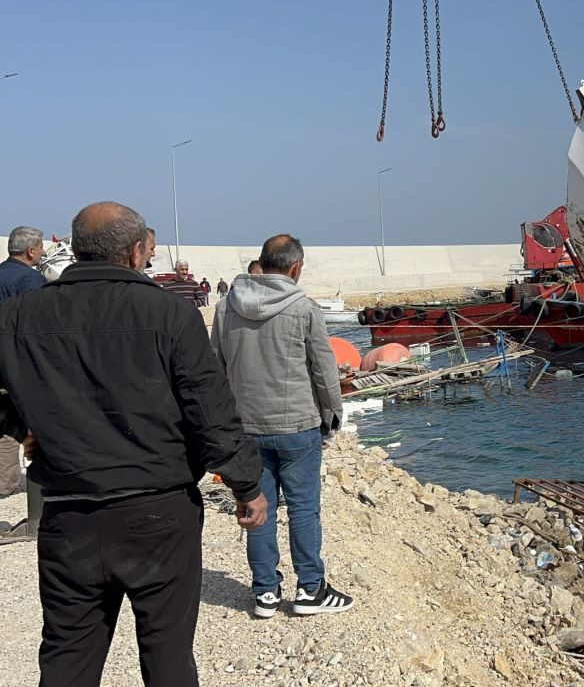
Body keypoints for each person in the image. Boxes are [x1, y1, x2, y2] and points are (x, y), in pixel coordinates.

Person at [0, 201, 266, 687]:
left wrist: (22, 427)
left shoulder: (19, 315)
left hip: (68, 510)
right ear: (136, 250)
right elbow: (209, 407)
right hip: (158, 510)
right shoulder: (169, 312)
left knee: (68, 657)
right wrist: (247, 484)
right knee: (167, 656)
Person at [211, 234, 351, 619]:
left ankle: (265, 593)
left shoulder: (226, 307)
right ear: (295, 268)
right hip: (297, 425)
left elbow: (216, 370)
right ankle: (310, 589)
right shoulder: (303, 308)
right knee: (304, 508)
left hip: (247, 427)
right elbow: (323, 370)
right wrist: (332, 415)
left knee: (259, 506)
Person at [0, 226, 45, 499]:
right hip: (16, 362)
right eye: (40, 247)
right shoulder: (30, 279)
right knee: (13, 425)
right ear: (31, 250)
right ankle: (8, 485)